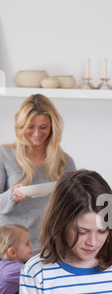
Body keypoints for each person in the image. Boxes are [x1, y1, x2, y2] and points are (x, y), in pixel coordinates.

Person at [0, 94, 76, 254]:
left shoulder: (65, 162)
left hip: (49, 248)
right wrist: (12, 195)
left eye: (43, 127)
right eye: (30, 127)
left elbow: (72, 206)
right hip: (11, 251)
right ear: (21, 126)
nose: (36, 133)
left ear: (52, 127)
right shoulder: (4, 154)